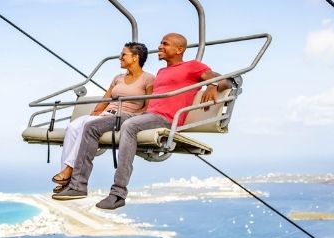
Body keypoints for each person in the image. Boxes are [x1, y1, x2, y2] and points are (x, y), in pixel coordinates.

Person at [52, 33, 230, 209]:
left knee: (129, 126)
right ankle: (78, 186)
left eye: (165, 43)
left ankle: (118, 193)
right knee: (91, 126)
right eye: (161, 43)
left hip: (166, 119)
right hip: (145, 116)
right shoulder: (161, 71)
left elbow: (226, 82)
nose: (159, 46)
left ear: (179, 49)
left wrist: (213, 85)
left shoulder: (193, 66)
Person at [51, 42, 154, 194]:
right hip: (108, 114)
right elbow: (106, 99)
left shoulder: (148, 79)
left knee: (88, 127)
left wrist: (135, 118)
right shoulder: (118, 78)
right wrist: (96, 111)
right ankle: (65, 178)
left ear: (135, 57)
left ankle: (69, 170)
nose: (120, 57)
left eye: (123, 54)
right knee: (73, 126)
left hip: (125, 116)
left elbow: (148, 105)